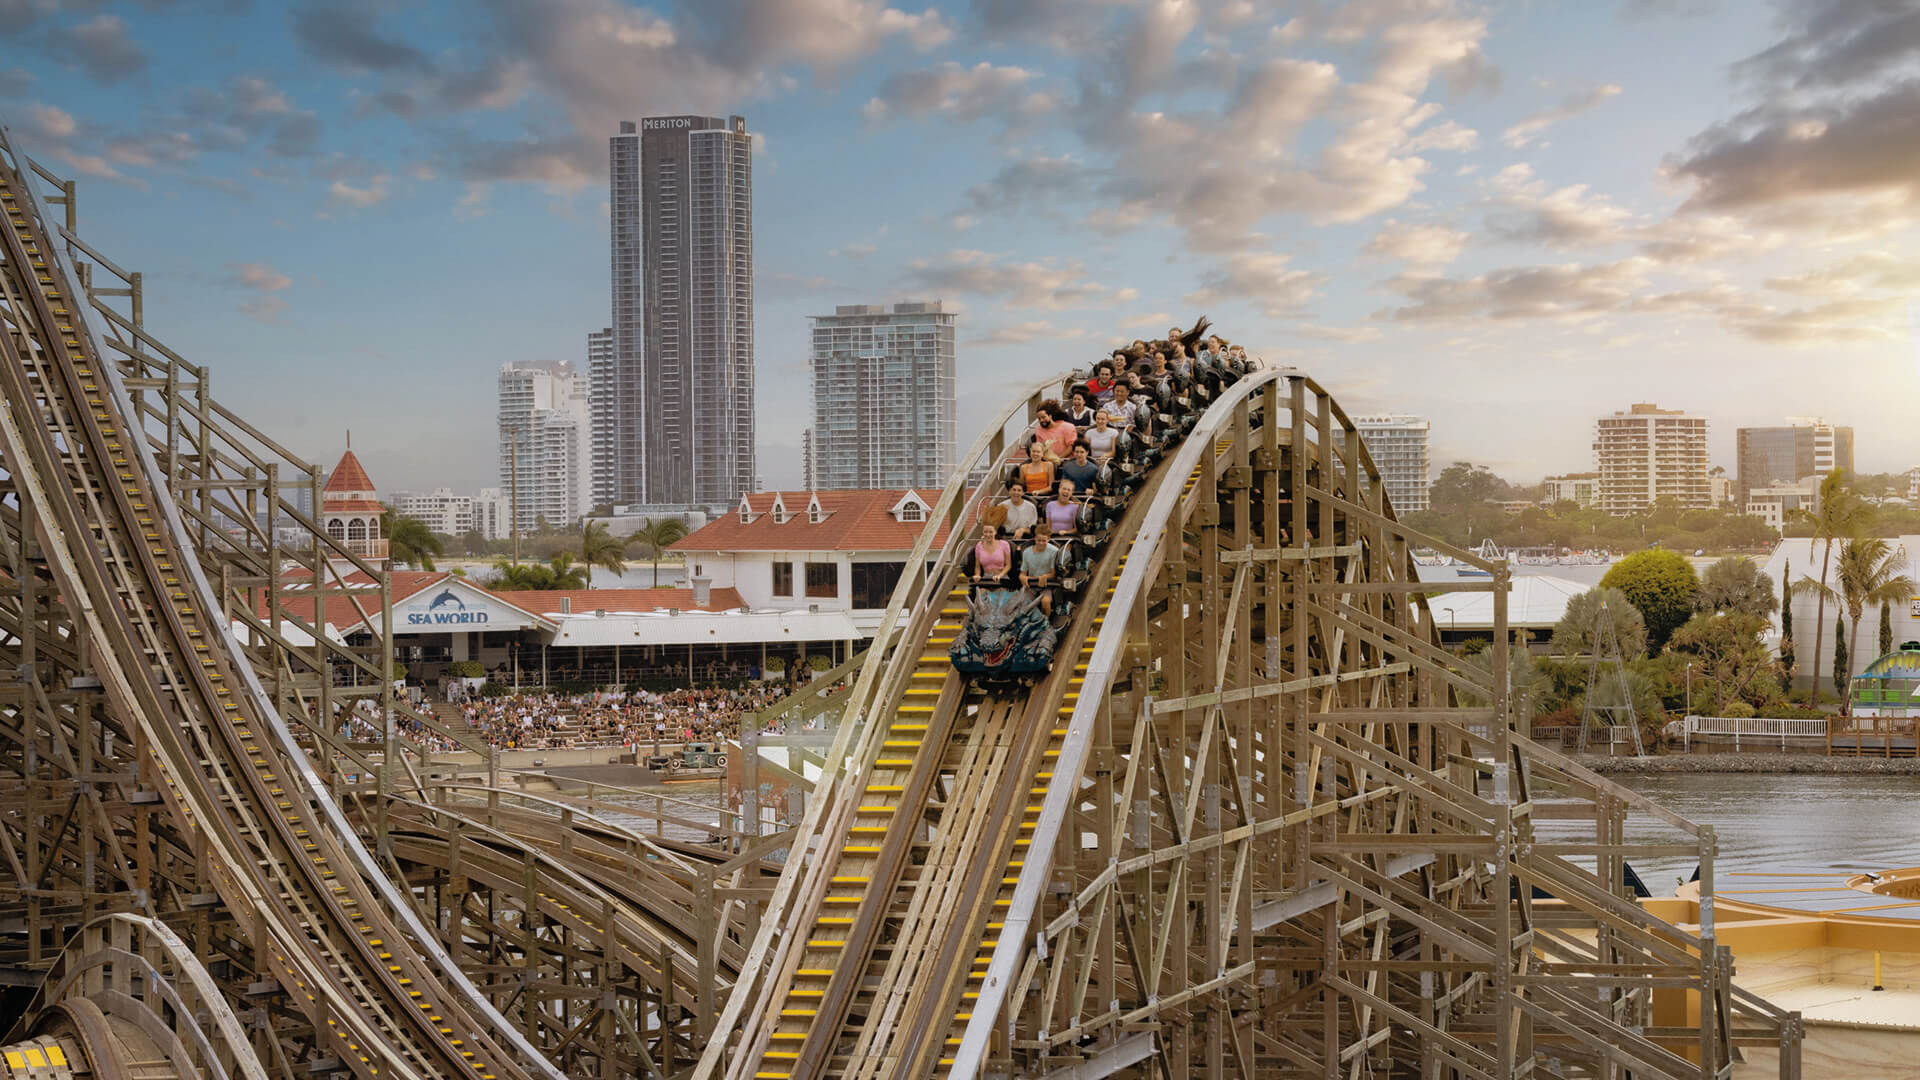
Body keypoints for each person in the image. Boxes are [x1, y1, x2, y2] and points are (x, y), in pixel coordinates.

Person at [1021, 522, 1061, 616]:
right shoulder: (1026, 552)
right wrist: (1023, 578)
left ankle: (1045, 623)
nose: (1041, 543)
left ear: (1048, 539)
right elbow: (1022, 573)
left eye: (1044, 541)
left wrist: (1044, 576)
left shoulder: (1054, 551)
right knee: (1022, 602)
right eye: (1039, 540)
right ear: (1035, 538)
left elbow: (1053, 573)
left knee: (1045, 601)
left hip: (1046, 585)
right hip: (1031, 585)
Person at [971, 519, 1013, 588]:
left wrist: (1000, 575)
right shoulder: (979, 545)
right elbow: (977, 566)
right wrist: (977, 575)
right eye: (985, 532)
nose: (988, 534)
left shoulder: (1004, 544)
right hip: (986, 578)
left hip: (1002, 577)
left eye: (991, 532)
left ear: (995, 532)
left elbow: (1008, 565)